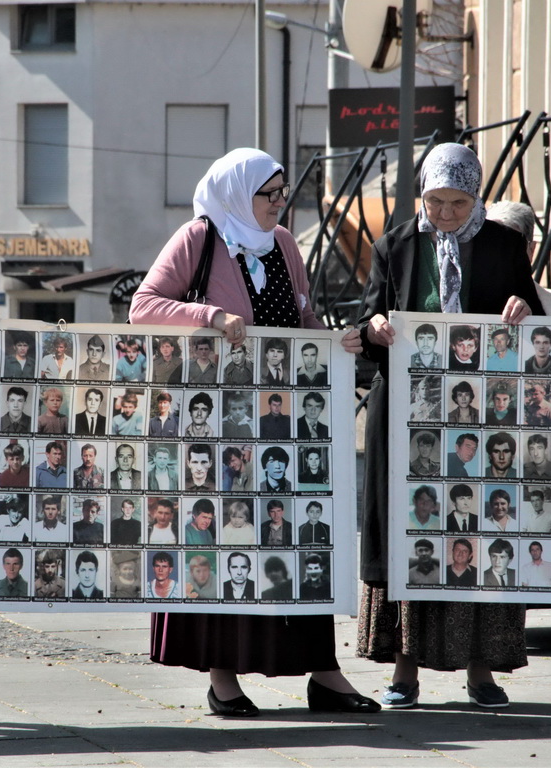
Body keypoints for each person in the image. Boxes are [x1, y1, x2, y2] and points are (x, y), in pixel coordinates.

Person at [131, 147, 374, 716]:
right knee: (228, 544)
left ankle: (324, 674)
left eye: (283, 193)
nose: (278, 204)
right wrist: (210, 317)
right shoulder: (200, 237)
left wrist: (331, 340)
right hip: (216, 430)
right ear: (239, 193)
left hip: (283, 426)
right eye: (269, 194)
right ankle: (223, 680)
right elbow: (143, 307)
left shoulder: (284, 244)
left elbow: (300, 319)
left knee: (294, 542)